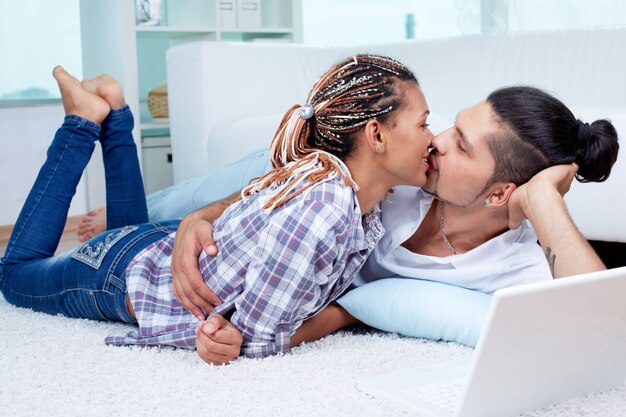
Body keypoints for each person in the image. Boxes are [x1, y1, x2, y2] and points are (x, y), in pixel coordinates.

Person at [0, 55, 435, 360]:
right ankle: (80, 124)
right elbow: (260, 338)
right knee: (14, 274)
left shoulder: (335, 183)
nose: (431, 138)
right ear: (376, 136)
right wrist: (344, 315)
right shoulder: (324, 208)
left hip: (154, 249)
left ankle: (113, 112)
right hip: (118, 278)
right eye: (423, 123)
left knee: (124, 229)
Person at [171, 86, 619, 364]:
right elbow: (299, 181)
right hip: (277, 180)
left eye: (460, 145)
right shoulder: (412, 158)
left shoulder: (514, 266)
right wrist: (203, 216)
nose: (436, 140)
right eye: (452, 126)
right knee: (165, 209)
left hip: (287, 252)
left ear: (501, 194)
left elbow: (603, 333)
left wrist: (545, 201)